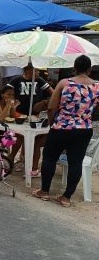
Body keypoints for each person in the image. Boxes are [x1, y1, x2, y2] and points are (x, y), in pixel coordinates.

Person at [33, 55, 99, 207]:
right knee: (75, 162)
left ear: (74, 68)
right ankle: (66, 197)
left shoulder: (64, 83)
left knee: (49, 158)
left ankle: (44, 192)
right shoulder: (97, 86)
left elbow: (51, 107)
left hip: (61, 127)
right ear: (89, 70)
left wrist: (52, 123)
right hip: (84, 129)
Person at [7, 63, 54, 175]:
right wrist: (12, 101)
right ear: (28, 71)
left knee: (30, 137)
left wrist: (47, 102)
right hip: (18, 114)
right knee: (19, 136)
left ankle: (24, 161)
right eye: (36, 70)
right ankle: (12, 158)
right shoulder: (16, 80)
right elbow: (7, 93)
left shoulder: (40, 81)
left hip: (34, 115)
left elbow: (53, 92)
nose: (38, 72)